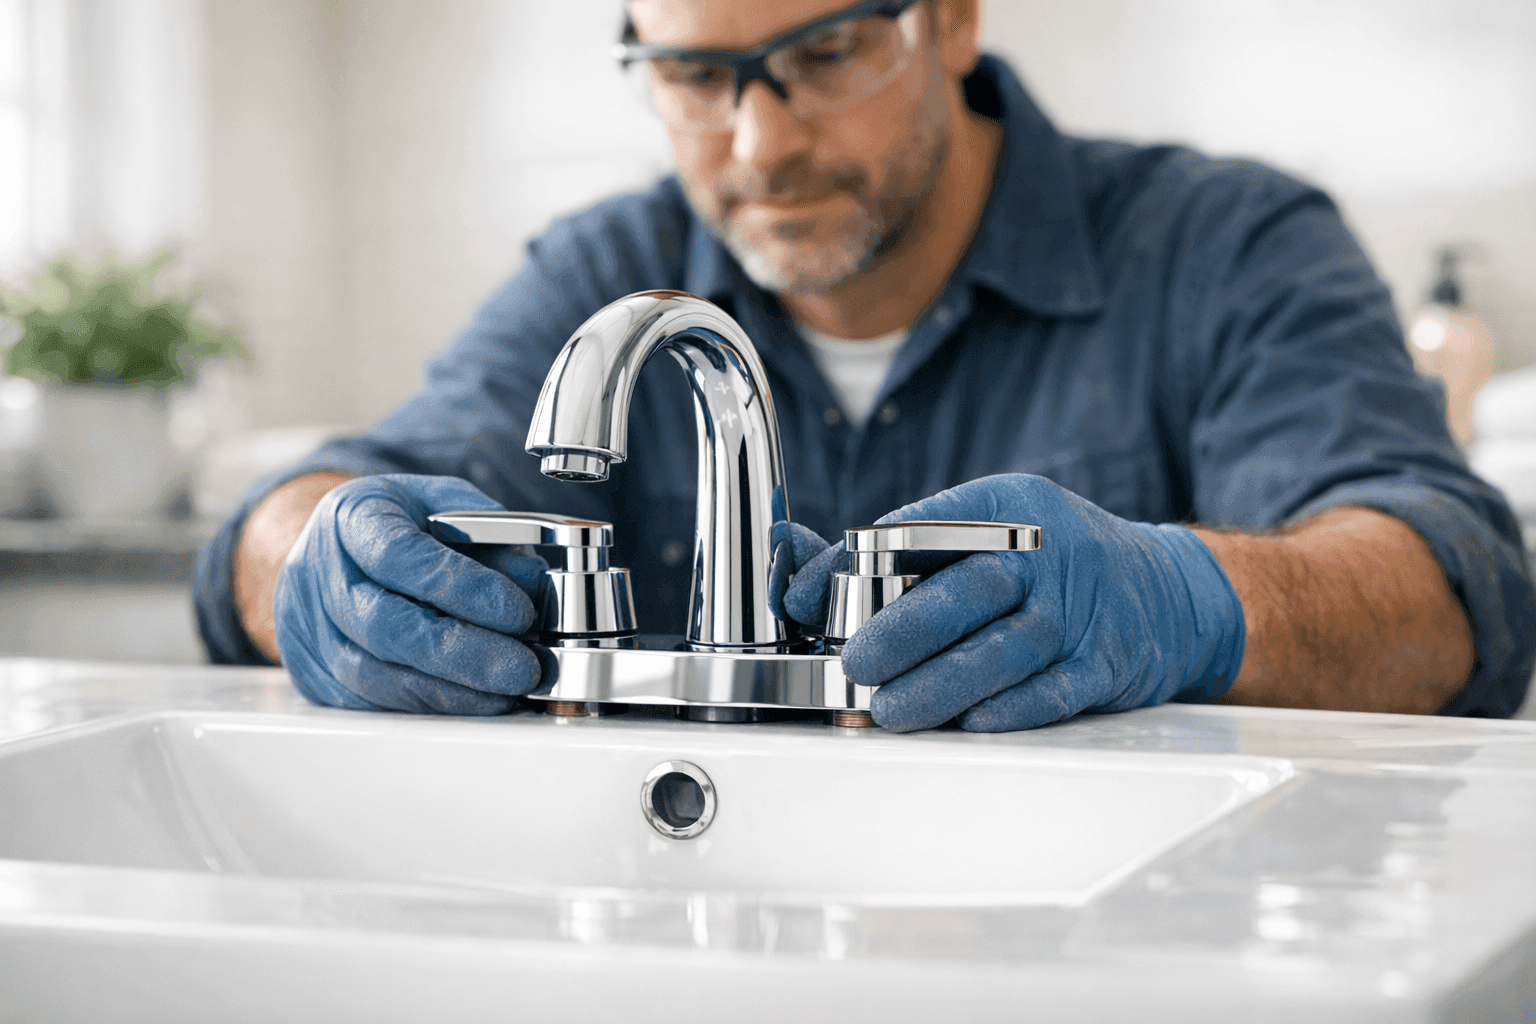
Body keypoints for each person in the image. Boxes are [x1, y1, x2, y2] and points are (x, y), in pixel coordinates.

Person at [195, 0, 1536, 731]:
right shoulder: (607, 269)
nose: (761, 146)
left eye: (823, 54)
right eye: (693, 76)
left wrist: (1191, 600)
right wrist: (309, 561)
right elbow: (311, 512)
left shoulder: (1230, 244)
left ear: (949, 20)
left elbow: (1455, 592)